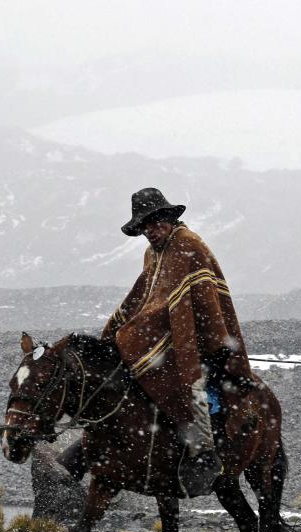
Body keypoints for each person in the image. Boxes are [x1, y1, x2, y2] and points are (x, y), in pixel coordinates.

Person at [99, 187, 254, 496]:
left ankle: (204, 452)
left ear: (168, 218)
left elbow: (196, 302)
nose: (151, 231)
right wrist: (123, 326)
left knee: (190, 382)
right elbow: (146, 296)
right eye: (145, 226)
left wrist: (188, 340)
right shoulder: (153, 252)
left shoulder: (188, 245)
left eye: (156, 223)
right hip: (173, 332)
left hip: (202, 333)